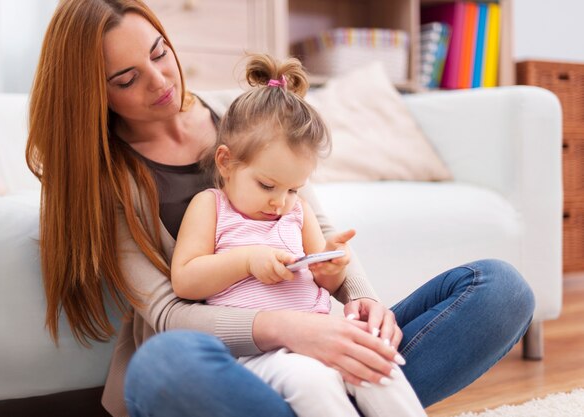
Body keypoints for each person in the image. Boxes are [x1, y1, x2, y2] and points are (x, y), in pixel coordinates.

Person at [26, 1, 535, 417]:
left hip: (313, 340)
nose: (160, 81)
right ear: (92, 94)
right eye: (126, 79)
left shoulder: (246, 117)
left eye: (160, 53)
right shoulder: (105, 180)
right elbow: (167, 311)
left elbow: (318, 233)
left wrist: (361, 301)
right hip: (227, 361)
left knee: (501, 289)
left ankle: (335, 396)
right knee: (165, 366)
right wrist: (287, 329)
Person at [170, 53, 427, 417]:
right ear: (226, 162)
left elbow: (322, 279)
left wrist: (332, 265)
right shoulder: (210, 206)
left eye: (293, 189)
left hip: (324, 336)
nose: (280, 202)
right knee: (312, 381)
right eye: (267, 185)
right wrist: (247, 260)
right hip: (258, 355)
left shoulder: (296, 211)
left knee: (378, 365)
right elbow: (185, 280)